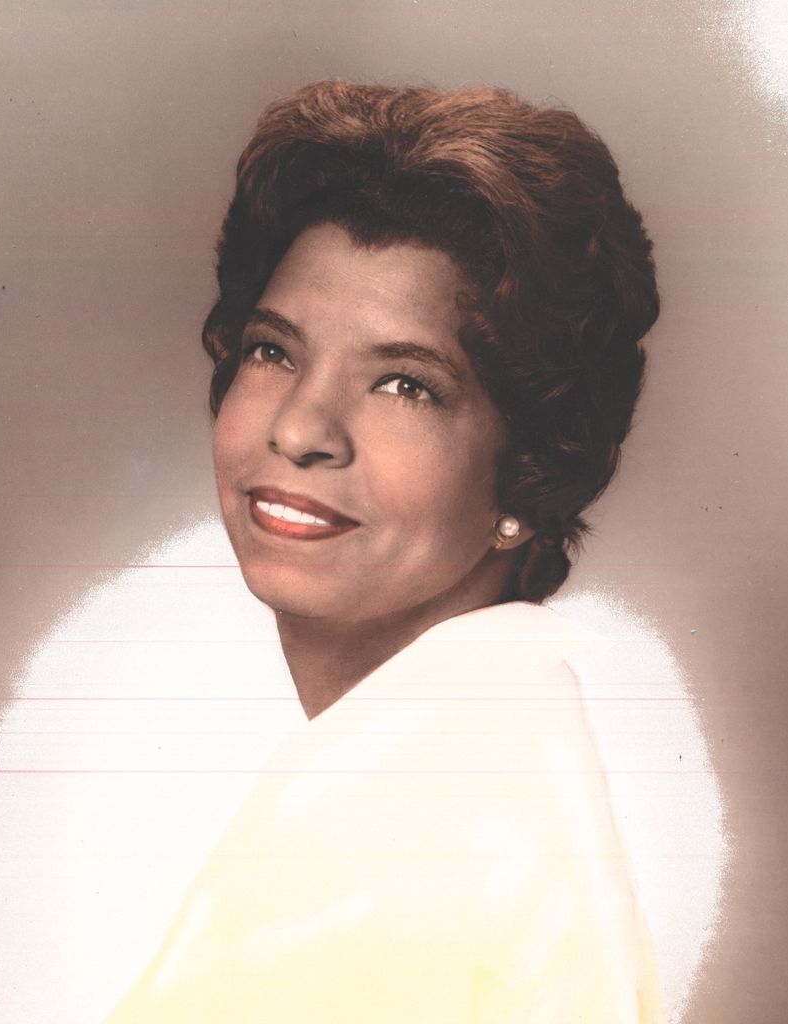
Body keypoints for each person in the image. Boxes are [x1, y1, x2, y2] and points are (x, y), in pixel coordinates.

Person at [104, 80, 666, 1022]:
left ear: (531, 470)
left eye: (404, 384)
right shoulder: (488, 742)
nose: (300, 429)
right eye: (273, 351)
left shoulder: (402, 805)